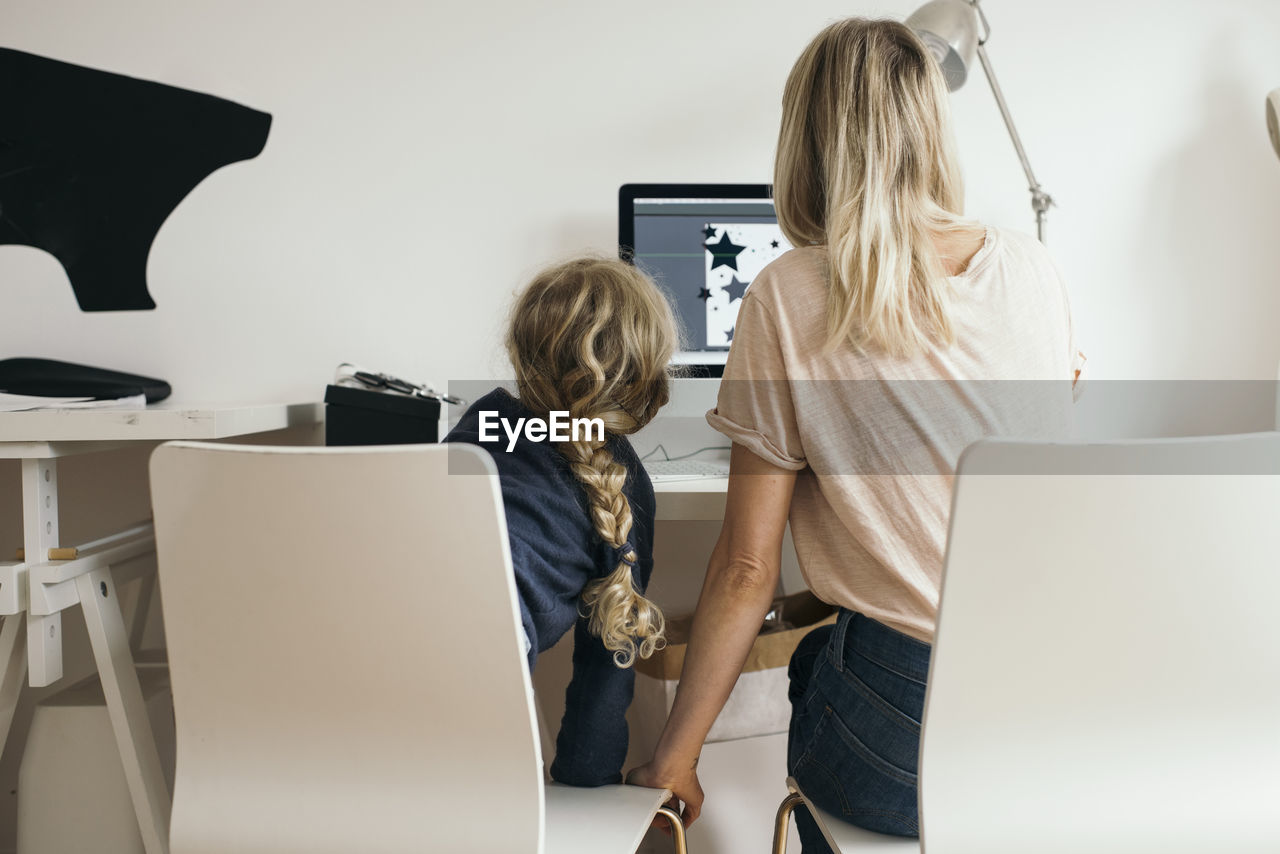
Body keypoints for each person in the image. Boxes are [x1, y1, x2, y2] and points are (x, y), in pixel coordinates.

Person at [627, 17, 1084, 849]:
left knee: (813, 658)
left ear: (808, 139)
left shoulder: (792, 291)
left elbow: (744, 568)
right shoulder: (1035, 269)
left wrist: (675, 756)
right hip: (1047, 712)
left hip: (907, 731)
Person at [446, 255, 678, 786]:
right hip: (476, 712)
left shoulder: (479, 422)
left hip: (355, 673)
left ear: (521, 351)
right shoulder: (623, 485)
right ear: (644, 371)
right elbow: (606, 668)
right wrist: (585, 784)